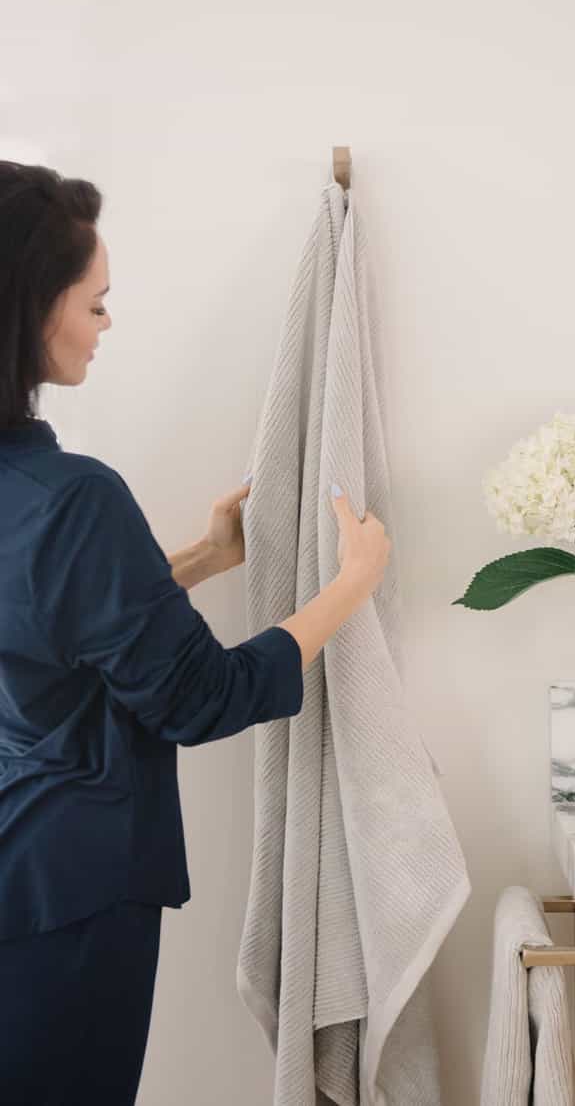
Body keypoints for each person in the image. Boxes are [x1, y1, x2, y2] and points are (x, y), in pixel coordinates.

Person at [0, 160, 392, 1105]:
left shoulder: (35, 500)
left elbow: (49, 625)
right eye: (94, 303)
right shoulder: (75, 497)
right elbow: (198, 695)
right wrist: (351, 584)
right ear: (30, 309)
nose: (106, 322)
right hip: (78, 893)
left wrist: (197, 564)